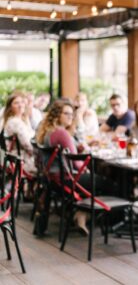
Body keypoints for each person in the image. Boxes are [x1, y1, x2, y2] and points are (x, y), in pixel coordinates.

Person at [36, 99, 110, 235]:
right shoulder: (62, 133)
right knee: (106, 182)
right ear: (57, 115)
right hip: (65, 179)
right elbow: (76, 163)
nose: (71, 117)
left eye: (72, 114)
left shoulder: (48, 131)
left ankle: (81, 213)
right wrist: (87, 169)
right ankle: (86, 214)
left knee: (95, 179)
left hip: (52, 180)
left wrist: (76, 149)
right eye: (66, 114)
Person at [2, 92, 36, 176]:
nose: (20, 105)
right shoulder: (15, 122)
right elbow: (28, 144)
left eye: (22, 102)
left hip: (19, 159)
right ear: (10, 107)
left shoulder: (21, 120)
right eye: (16, 103)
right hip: (22, 161)